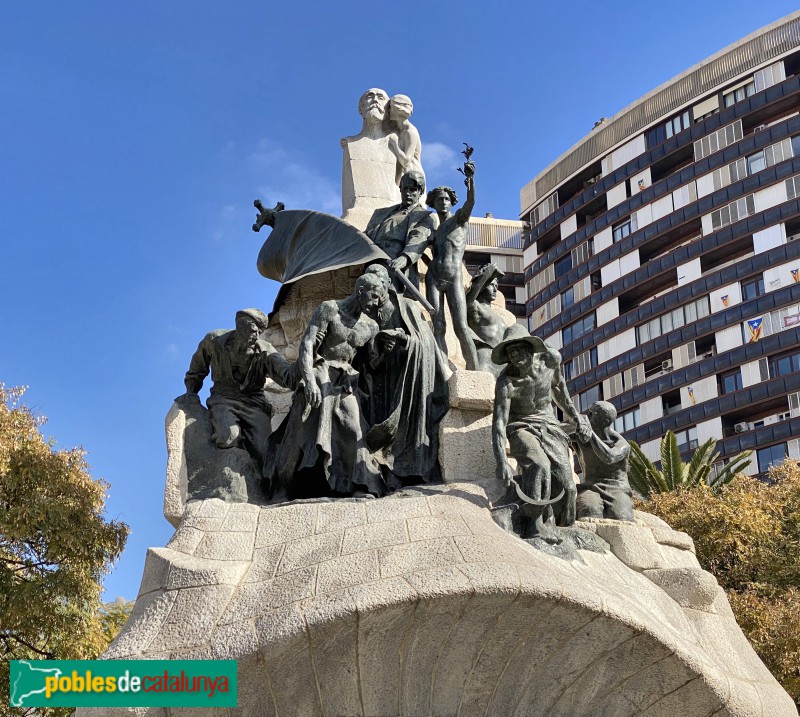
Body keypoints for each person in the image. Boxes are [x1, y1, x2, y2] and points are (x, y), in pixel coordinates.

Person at [262, 272, 388, 500]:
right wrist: (308, 380)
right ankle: (281, 486)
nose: (377, 302)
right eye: (374, 296)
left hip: (345, 381)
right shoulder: (330, 309)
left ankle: (360, 484)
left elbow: (371, 363)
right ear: (360, 291)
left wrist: (386, 350)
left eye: (380, 297)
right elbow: (308, 344)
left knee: (354, 428)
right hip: (320, 373)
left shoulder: (371, 326)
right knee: (298, 429)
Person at [492, 324, 591, 543]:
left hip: (548, 423)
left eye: (518, 349)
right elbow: (499, 423)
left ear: (530, 347)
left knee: (568, 486)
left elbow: (560, 390)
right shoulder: (506, 382)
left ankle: (561, 528)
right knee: (539, 465)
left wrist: (575, 416)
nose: (514, 355)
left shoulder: (550, 360)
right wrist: (501, 461)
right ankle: (534, 525)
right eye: (510, 352)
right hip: (520, 426)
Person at [359, 265, 449, 487]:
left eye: (379, 282)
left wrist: (404, 340)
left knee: (406, 426)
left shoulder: (407, 307)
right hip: (381, 381)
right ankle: (376, 474)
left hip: (410, 380)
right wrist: (379, 348)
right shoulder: (365, 314)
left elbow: (427, 345)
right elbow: (362, 354)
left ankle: (408, 472)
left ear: (388, 284)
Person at [181, 309, 274, 472]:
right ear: (242, 326)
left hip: (254, 403)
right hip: (223, 398)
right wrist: (191, 393)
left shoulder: (265, 351)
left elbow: (285, 373)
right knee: (228, 437)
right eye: (254, 331)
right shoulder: (214, 340)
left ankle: (262, 486)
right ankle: (231, 473)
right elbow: (197, 369)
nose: (257, 336)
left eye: (260, 332)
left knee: (265, 451)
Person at [424, 161, 478, 369]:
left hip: (454, 276)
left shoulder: (459, 220)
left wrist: (471, 179)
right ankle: (442, 369)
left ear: (452, 202)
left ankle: (476, 370)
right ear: (433, 203)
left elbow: (471, 202)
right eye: (439, 199)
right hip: (434, 278)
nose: (443, 202)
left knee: (461, 327)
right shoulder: (434, 232)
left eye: (447, 199)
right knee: (438, 326)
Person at [365, 170, 435, 290]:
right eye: (405, 188)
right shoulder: (382, 213)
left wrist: (405, 258)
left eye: (413, 189)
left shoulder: (423, 216)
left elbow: (419, 238)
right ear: (400, 189)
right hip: (375, 257)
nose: (408, 193)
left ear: (420, 192)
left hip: (394, 260)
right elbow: (367, 235)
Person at [572, 401, 634, 521]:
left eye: (592, 414)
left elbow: (609, 457)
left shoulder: (621, 444)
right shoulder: (581, 434)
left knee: (622, 517)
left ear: (604, 422)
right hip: (591, 487)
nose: (587, 417)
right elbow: (556, 432)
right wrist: (575, 424)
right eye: (588, 412)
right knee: (589, 511)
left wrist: (591, 435)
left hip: (617, 489)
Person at [466, 263, 509, 375]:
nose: (495, 290)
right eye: (491, 285)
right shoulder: (475, 306)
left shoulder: (499, 317)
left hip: (502, 362)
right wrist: (487, 274)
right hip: (485, 356)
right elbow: (467, 302)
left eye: (496, 286)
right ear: (483, 284)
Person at [385, 94, 423, 185]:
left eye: (390, 108)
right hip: (403, 176)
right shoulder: (400, 130)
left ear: (397, 110)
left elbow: (406, 161)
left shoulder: (410, 132)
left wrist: (394, 144)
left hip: (413, 178)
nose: (388, 111)